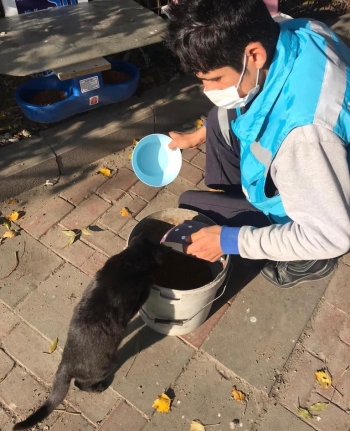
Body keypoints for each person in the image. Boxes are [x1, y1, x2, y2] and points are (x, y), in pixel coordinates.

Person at [164, 0, 350, 288]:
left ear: (254, 54)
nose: (209, 90)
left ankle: (309, 260)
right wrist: (197, 136)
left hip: (318, 206)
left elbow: (333, 235)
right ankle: (242, 207)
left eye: (215, 79)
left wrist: (230, 240)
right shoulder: (301, 30)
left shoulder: (303, 137)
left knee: (189, 205)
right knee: (219, 117)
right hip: (319, 164)